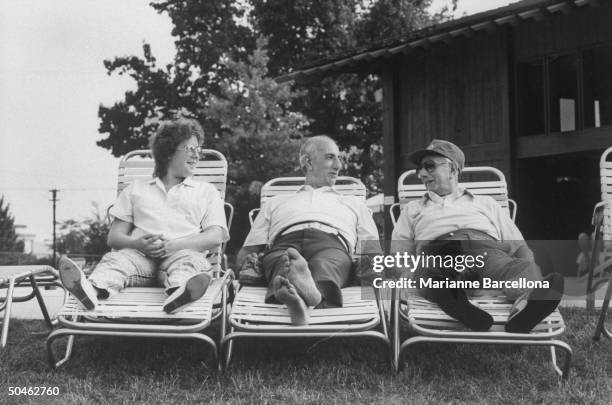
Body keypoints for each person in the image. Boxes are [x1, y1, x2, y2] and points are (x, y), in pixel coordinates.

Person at [392, 139, 564, 333]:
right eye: (419, 170)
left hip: (489, 252)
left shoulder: (486, 203)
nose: (422, 174)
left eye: (429, 166)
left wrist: (529, 268)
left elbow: (519, 246)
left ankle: (524, 310)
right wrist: (413, 277)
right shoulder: (412, 209)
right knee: (432, 273)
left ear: (453, 169)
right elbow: (399, 253)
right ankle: (458, 304)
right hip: (440, 253)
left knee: (524, 269)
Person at [59, 118, 229, 314]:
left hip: (183, 253)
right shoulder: (136, 190)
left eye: (198, 150)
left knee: (190, 265)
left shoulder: (205, 191)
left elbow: (215, 236)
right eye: (190, 149)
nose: (196, 155)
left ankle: (180, 293)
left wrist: (173, 246)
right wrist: (137, 244)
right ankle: (90, 290)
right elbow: (114, 237)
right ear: (168, 151)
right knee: (116, 262)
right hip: (139, 257)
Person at [237, 135, 381, 325]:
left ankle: (297, 297)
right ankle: (310, 296)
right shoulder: (275, 201)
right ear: (308, 161)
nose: (338, 165)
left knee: (324, 264)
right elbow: (250, 248)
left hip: (332, 243)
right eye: (330, 157)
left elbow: (372, 247)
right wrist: (247, 264)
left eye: (339, 158)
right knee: (282, 261)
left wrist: (371, 267)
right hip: (284, 242)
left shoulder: (354, 203)